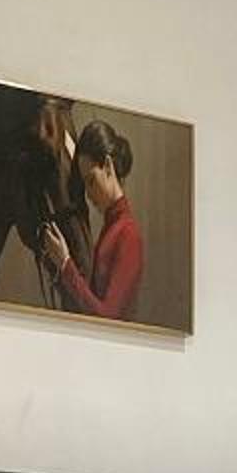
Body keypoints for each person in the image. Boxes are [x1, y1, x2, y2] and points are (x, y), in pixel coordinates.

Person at [39, 118, 144, 322]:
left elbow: (107, 317)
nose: (88, 194)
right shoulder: (112, 227)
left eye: (91, 181)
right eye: (85, 184)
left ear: (108, 166)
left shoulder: (127, 234)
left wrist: (65, 263)